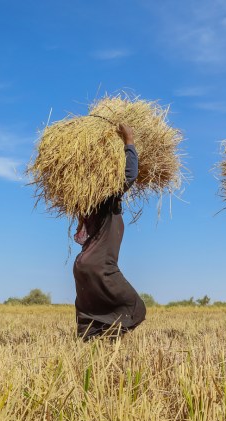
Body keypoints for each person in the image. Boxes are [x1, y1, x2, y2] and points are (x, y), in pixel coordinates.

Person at [73, 124, 146, 341]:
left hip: (82, 267)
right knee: (134, 307)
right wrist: (129, 140)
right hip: (99, 266)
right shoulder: (106, 198)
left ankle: (95, 355)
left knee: (90, 316)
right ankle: (109, 343)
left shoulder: (86, 204)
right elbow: (130, 174)